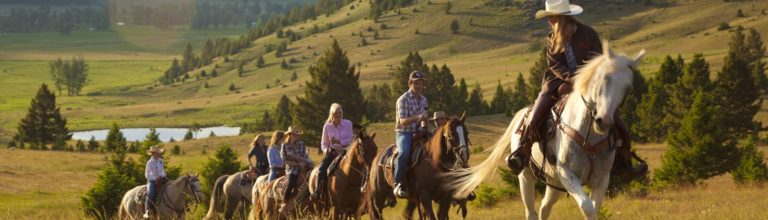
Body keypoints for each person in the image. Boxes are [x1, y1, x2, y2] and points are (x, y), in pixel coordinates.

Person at [507, 0, 647, 178]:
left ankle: (625, 161)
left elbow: (598, 58)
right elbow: (554, 65)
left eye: (552, 18)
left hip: (590, 84)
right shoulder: (552, 38)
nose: (550, 21)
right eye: (550, 18)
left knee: (620, 127)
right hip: (557, 83)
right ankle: (523, 151)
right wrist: (573, 79)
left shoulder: (588, 34)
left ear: (562, 18)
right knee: (535, 116)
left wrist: (586, 77)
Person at [393, 71, 429, 198]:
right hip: (404, 132)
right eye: (415, 83)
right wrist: (418, 117)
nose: (418, 85)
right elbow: (402, 121)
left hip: (419, 131)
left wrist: (424, 127)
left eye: (420, 83)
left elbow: (424, 119)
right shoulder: (403, 99)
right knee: (404, 153)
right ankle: (397, 183)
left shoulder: (424, 100)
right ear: (410, 83)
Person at [312, 103, 354, 200]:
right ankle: (318, 191)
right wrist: (326, 150)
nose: (338, 115)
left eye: (340, 113)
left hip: (346, 151)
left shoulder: (348, 123)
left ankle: (363, 189)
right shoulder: (327, 126)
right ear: (332, 114)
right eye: (336, 113)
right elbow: (323, 143)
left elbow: (350, 140)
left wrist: (338, 141)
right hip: (333, 152)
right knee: (322, 170)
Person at [279, 126, 313, 217]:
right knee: (291, 183)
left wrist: (306, 162)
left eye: (298, 135)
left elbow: (305, 156)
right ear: (289, 135)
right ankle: (284, 202)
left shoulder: (302, 144)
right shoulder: (284, 145)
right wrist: (298, 164)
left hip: (304, 166)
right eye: (294, 134)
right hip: (291, 168)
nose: (296, 136)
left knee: (314, 177)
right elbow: (284, 161)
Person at [144, 145, 167, 219]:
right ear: (153, 153)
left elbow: (163, 171)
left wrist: (163, 176)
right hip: (152, 181)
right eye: (157, 153)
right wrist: (155, 178)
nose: (158, 154)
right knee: (151, 193)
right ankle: (147, 212)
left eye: (159, 153)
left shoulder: (161, 161)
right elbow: (147, 175)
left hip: (162, 179)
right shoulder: (149, 163)